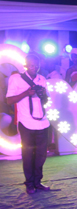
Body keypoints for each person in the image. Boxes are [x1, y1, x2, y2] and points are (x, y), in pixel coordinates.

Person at [6, 53, 51, 194]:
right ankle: (29, 184)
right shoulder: (16, 78)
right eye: (31, 65)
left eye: (37, 65)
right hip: (26, 122)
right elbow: (9, 100)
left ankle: (37, 182)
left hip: (42, 122)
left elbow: (46, 100)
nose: (34, 67)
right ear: (25, 65)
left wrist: (43, 94)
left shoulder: (42, 79)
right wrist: (26, 93)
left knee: (41, 155)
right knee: (28, 155)